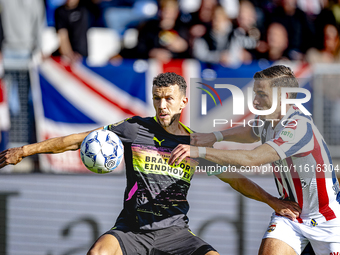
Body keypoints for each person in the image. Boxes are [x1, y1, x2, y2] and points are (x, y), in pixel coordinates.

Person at [0, 72, 300, 255]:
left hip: (175, 234)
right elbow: (78, 139)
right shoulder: (133, 128)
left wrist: (272, 201)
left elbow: (234, 178)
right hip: (131, 230)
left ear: (183, 102)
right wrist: (24, 151)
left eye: (169, 98)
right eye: (157, 98)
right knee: (98, 252)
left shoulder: (195, 143)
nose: (162, 105)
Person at [169, 65, 340, 255]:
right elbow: (252, 132)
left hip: (327, 221)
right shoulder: (269, 117)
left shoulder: (298, 127)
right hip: (290, 214)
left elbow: (253, 158)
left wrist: (199, 151)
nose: (255, 101)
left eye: (262, 95)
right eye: (255, 94)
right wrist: (215, 136)